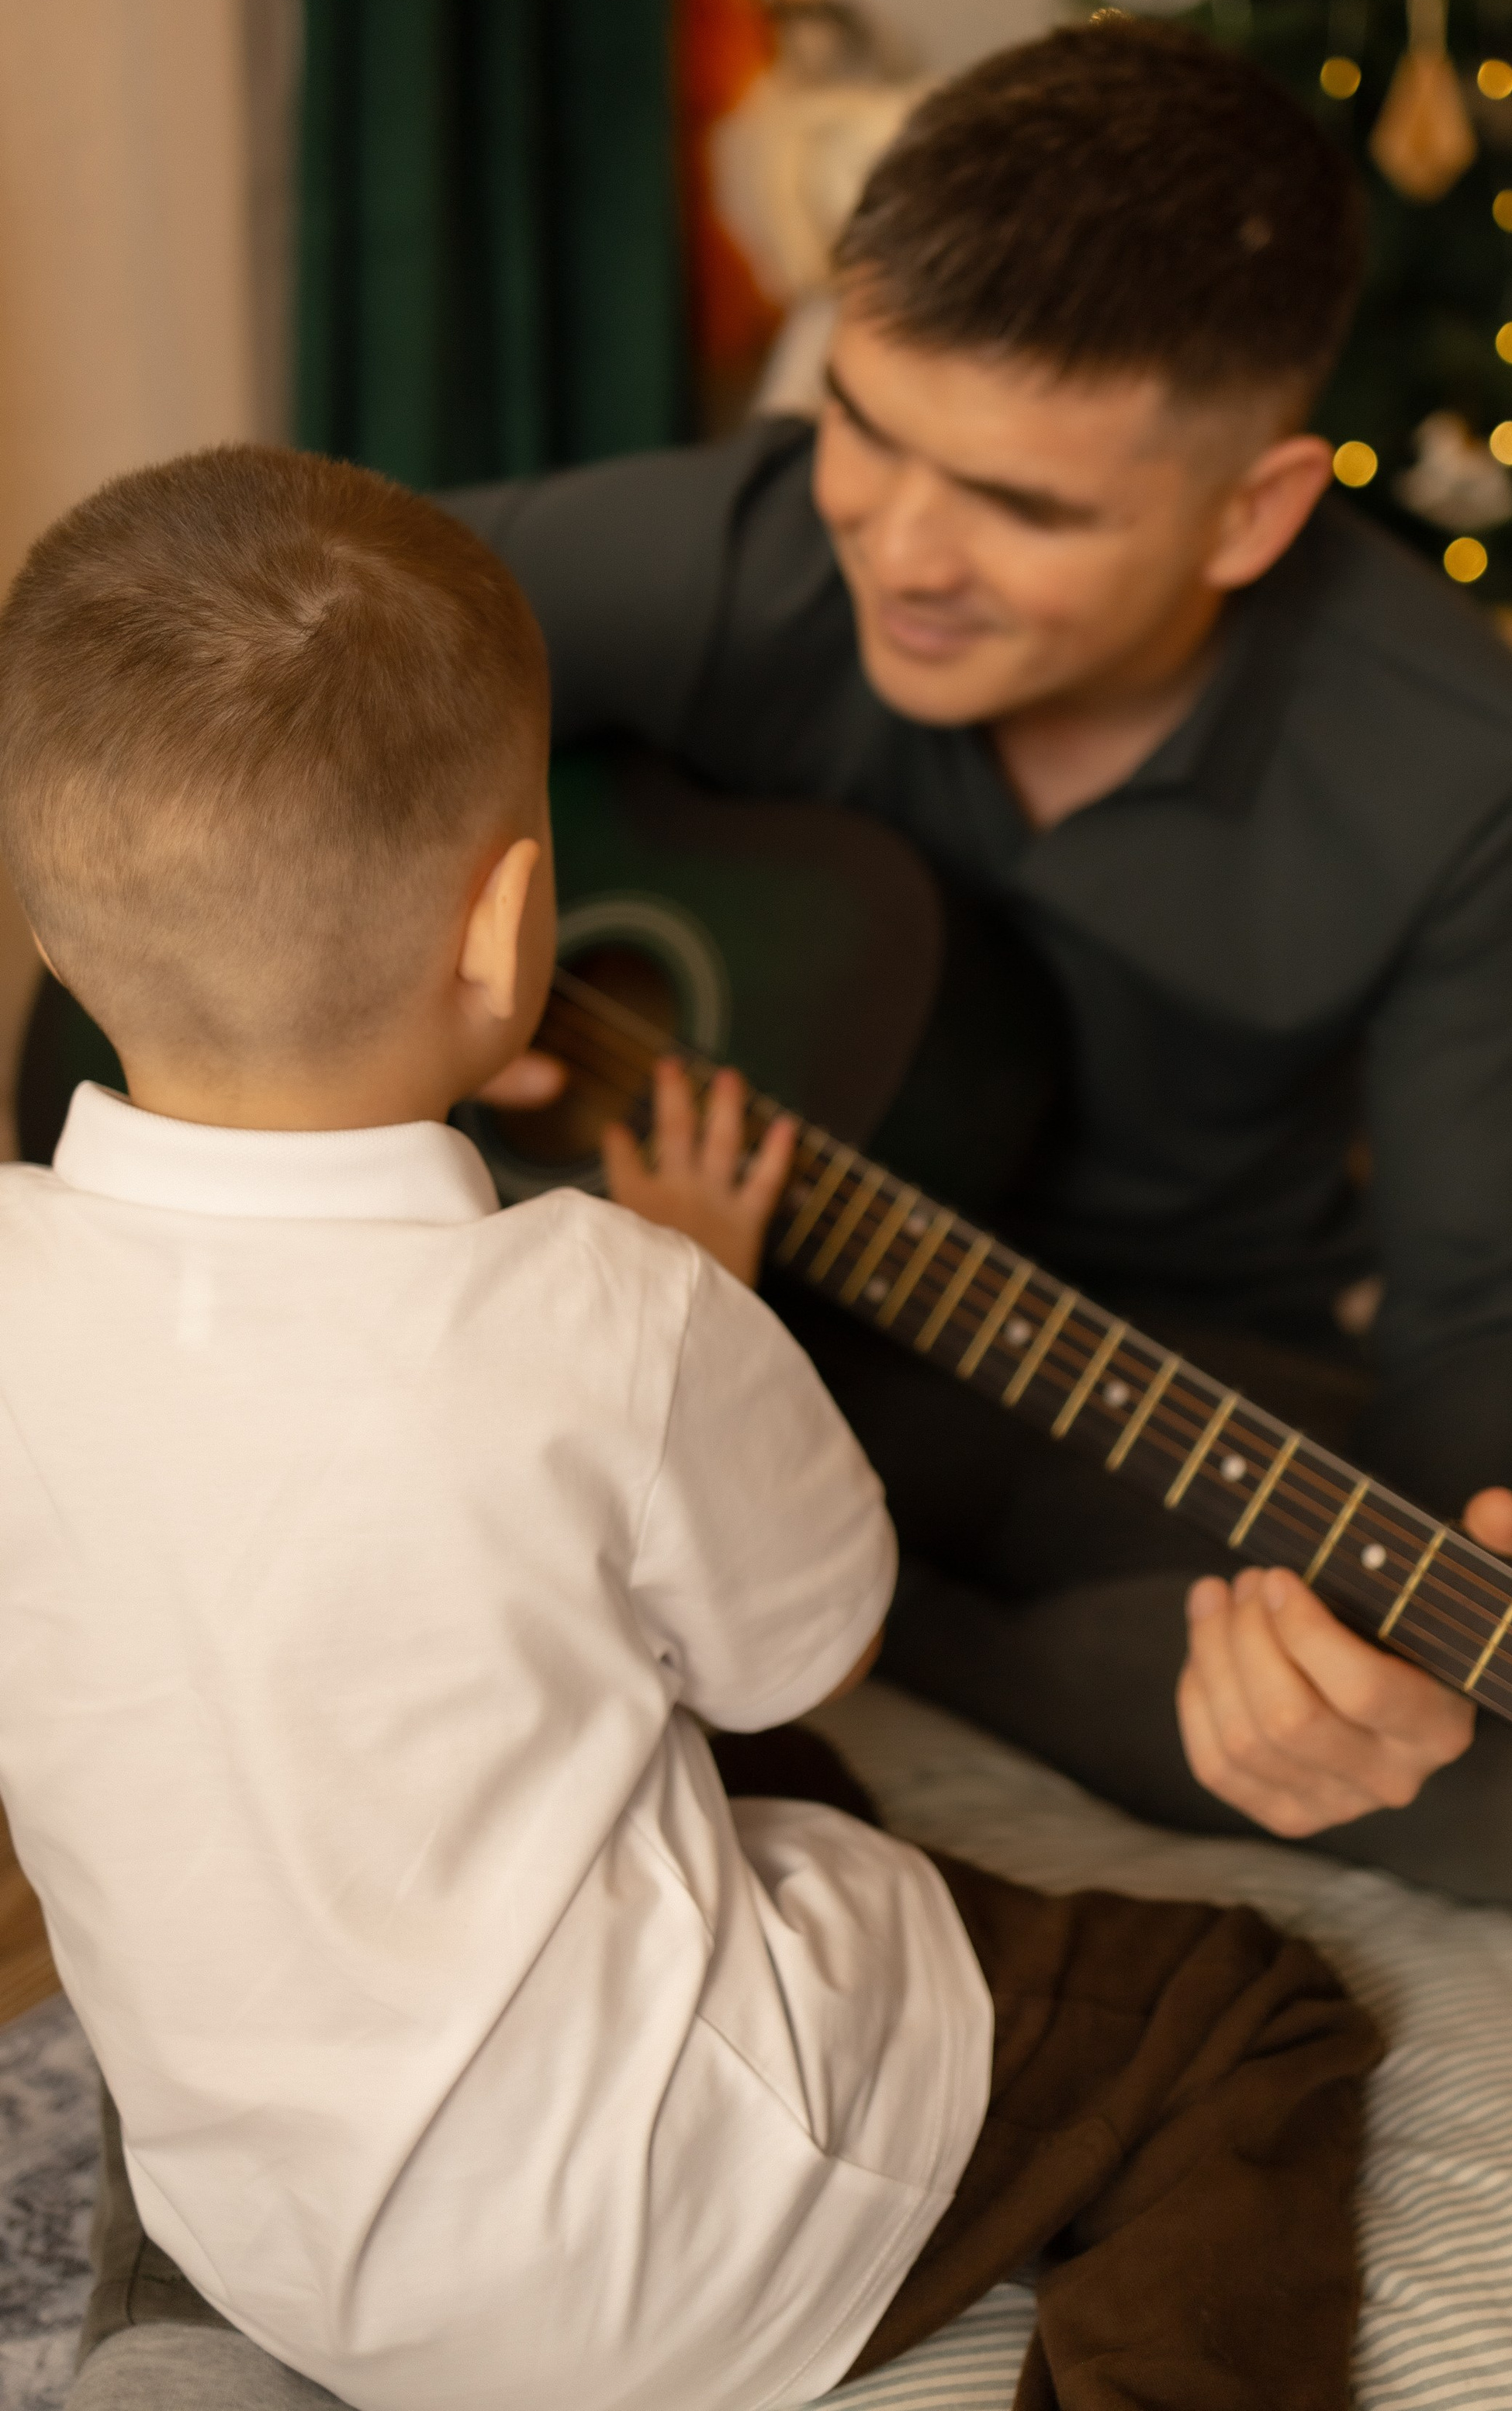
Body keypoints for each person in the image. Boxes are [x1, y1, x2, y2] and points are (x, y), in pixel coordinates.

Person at [0, 449, 1378, 2411]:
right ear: (509, 931)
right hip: (667, 2261)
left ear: (55, 939)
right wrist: (708, 1303)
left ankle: (182, 2354)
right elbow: (808, 1654)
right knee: (1252, 2019)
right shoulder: (619, 1315)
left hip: (282, 2232)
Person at [455, 17, 1512, 1908]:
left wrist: (1424, 1615)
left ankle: (891, 1630)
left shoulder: (1464, 767)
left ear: (1253, 510)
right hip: (685, 1275)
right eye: (867, 424)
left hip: (1132, 1363)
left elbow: (1497, 1298)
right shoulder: (759, 543)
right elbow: (269, 647)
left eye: (1025, 506)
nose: (898, 546)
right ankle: (818, 1603)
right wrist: (423, 975)